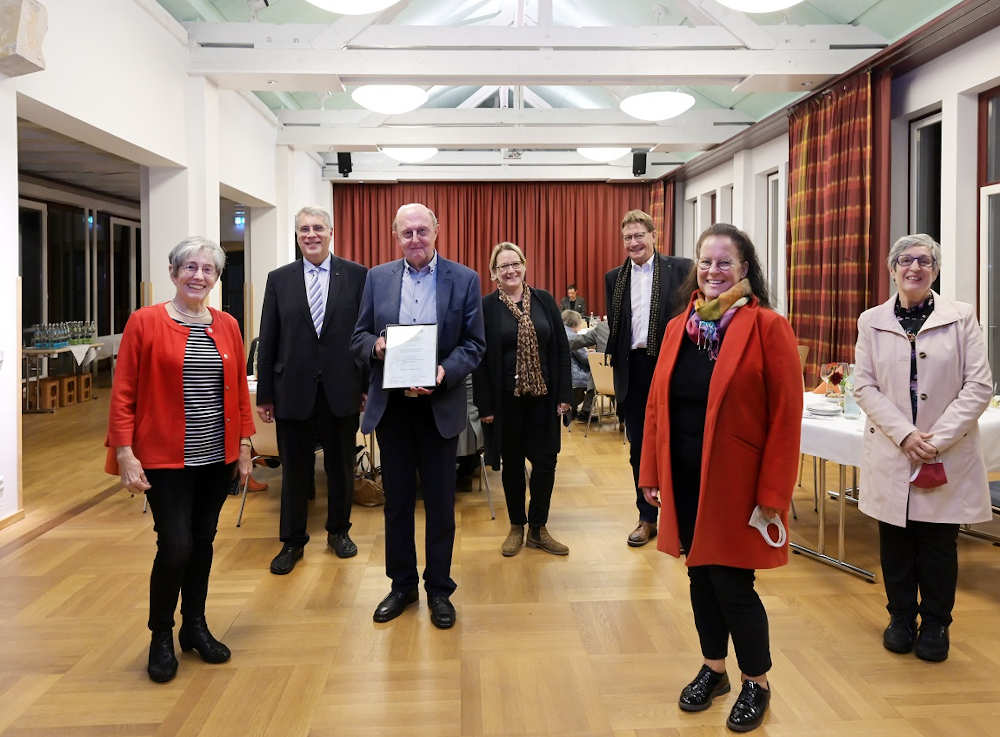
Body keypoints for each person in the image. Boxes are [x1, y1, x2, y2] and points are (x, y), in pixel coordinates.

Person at [638, 223, 802, 732]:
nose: (712, 272)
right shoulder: (676, 328)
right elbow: (655, 408)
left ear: (745, 269)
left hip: (738, 483)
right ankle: (715, 669)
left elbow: (786, 417)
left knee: (732, 584)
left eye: (724, 263)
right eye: (705, 262)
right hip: (685, 477)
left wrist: (775, 492)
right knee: (698, 578)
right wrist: (649, 471)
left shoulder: (768, 327)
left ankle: (757, 680)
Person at [105, 236, 254, 683]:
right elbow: (124, 391)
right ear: (173, 273)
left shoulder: (226, 324)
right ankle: (160, 634)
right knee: (175, 545)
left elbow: (240, 393)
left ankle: (195, 626)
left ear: (216, 279)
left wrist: (245, 446)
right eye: (190, 267)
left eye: (208, 270)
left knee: (203, 541)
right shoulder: (145, 322)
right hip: (165, 458)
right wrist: (125, 452)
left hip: (215, 457)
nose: (198, 276)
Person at [854, 233, 993, 663]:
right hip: (895, 447)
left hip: (944, 450)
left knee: (937, 543)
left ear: (935, 271)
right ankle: (900, 618)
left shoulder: (961, 317)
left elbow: (979, 385)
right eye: (906, 260)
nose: (915, 268)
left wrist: (936, 439)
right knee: (894, 541)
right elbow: (863, 384)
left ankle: (935, 624)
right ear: (892, 268)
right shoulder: (871, 320)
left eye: (925, 261)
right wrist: (905, 435)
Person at [351, 202, 485, 629]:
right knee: (398, 505)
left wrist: (444, 371)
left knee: (442, 506)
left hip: (438, 407)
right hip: (393, 410)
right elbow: (358, 335)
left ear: (437, 231)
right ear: (396, 235)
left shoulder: (464, 279)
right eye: (406, 233)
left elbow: (474, 344)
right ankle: (402, 586)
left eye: (422, 231)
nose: (415, 240)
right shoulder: (377, 278)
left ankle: (440, 589)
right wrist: (377, 347)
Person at [255, 206, 369, 575]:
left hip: (342, 389)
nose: (311, 234)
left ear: (331, 232)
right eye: (304, 228)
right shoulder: (279, 279)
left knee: (340, 468)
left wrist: (365, 386)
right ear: (297, 235)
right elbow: (268, 339)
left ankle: (339, 532)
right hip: (293, 391)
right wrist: (265, 394)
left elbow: (363, 334)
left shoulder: (356, 275)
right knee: (296, 473)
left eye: (318, 227)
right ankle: (292, 541)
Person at [475, 243, 572, 557]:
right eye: (502, 266)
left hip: (543, 399)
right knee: (513, 465)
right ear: (494, 273)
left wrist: (564, 395)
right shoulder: (487, 307)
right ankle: (516, 525)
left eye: (514, 264)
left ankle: (538, 528)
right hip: (506, 402)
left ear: (524, 265)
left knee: (546, 463)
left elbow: (559, 349)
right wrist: (485, 406)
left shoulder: (543, 300)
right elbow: (480, 358)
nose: (510, 270)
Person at [605, 209, 692, 547]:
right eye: (627, 237)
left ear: (654, 235)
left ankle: (683, 519)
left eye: (639, 235)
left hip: (672, 367)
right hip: (634, 371)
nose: (634, 242)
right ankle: (646, 517)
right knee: (640, 448)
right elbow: (617, 327)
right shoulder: (614, 277)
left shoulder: (682, 269)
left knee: (680, 445)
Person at [562, 309, 594, 421]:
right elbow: (585, 359)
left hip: (564, 376)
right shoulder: (572, 337)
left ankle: (580, 410)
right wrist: (593, 355)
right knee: (596, 378)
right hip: (576, 377)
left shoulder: (561, 332)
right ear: (575, 323)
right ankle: (586, 412)